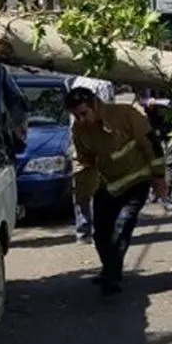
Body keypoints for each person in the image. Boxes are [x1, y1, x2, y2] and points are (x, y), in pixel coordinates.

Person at [66, 87, 167, 296]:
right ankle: (110, 269)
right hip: (107, 185)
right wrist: (81, 190)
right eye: (76, 115)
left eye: (84, 113)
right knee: (101, 233)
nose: (81, 119)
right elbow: (85, 162)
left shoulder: (125, 115)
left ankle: (111, 275)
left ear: (95, 105)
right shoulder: (79, 130)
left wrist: (159, 177)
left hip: (137, 180)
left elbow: (151, 144)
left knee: (122, 226)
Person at [70, 75, 116, 244]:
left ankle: (86, 231)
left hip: (83, 140)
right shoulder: (103, 83)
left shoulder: (77, 81)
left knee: (83, 188)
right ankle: (95, 230)